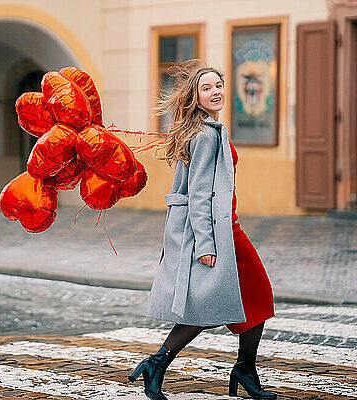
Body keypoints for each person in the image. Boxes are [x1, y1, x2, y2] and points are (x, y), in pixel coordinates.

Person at [128, 60, 276, 400]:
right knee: (216, 303)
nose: (215, 92)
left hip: (227, 225)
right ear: (195, 97)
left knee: (249, 298)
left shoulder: (207, 129)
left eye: (218, 86)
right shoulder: (206, 136)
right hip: (219, 232)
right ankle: (161, 362)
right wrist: (206, 245)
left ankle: (243, 369)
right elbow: (197, 195)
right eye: (206, 88)